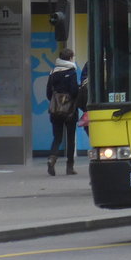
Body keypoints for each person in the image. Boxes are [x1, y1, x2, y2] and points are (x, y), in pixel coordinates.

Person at [46, 48, 80, 176]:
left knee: (57, 137)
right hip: (70, 110)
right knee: (70, 138)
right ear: (70, 58)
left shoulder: (53, 72)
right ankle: (69, 167)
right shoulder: (72, 72)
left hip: (55, 110)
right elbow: (74, 91)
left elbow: (48, 93)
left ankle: (52, 158)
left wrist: (57, 102)